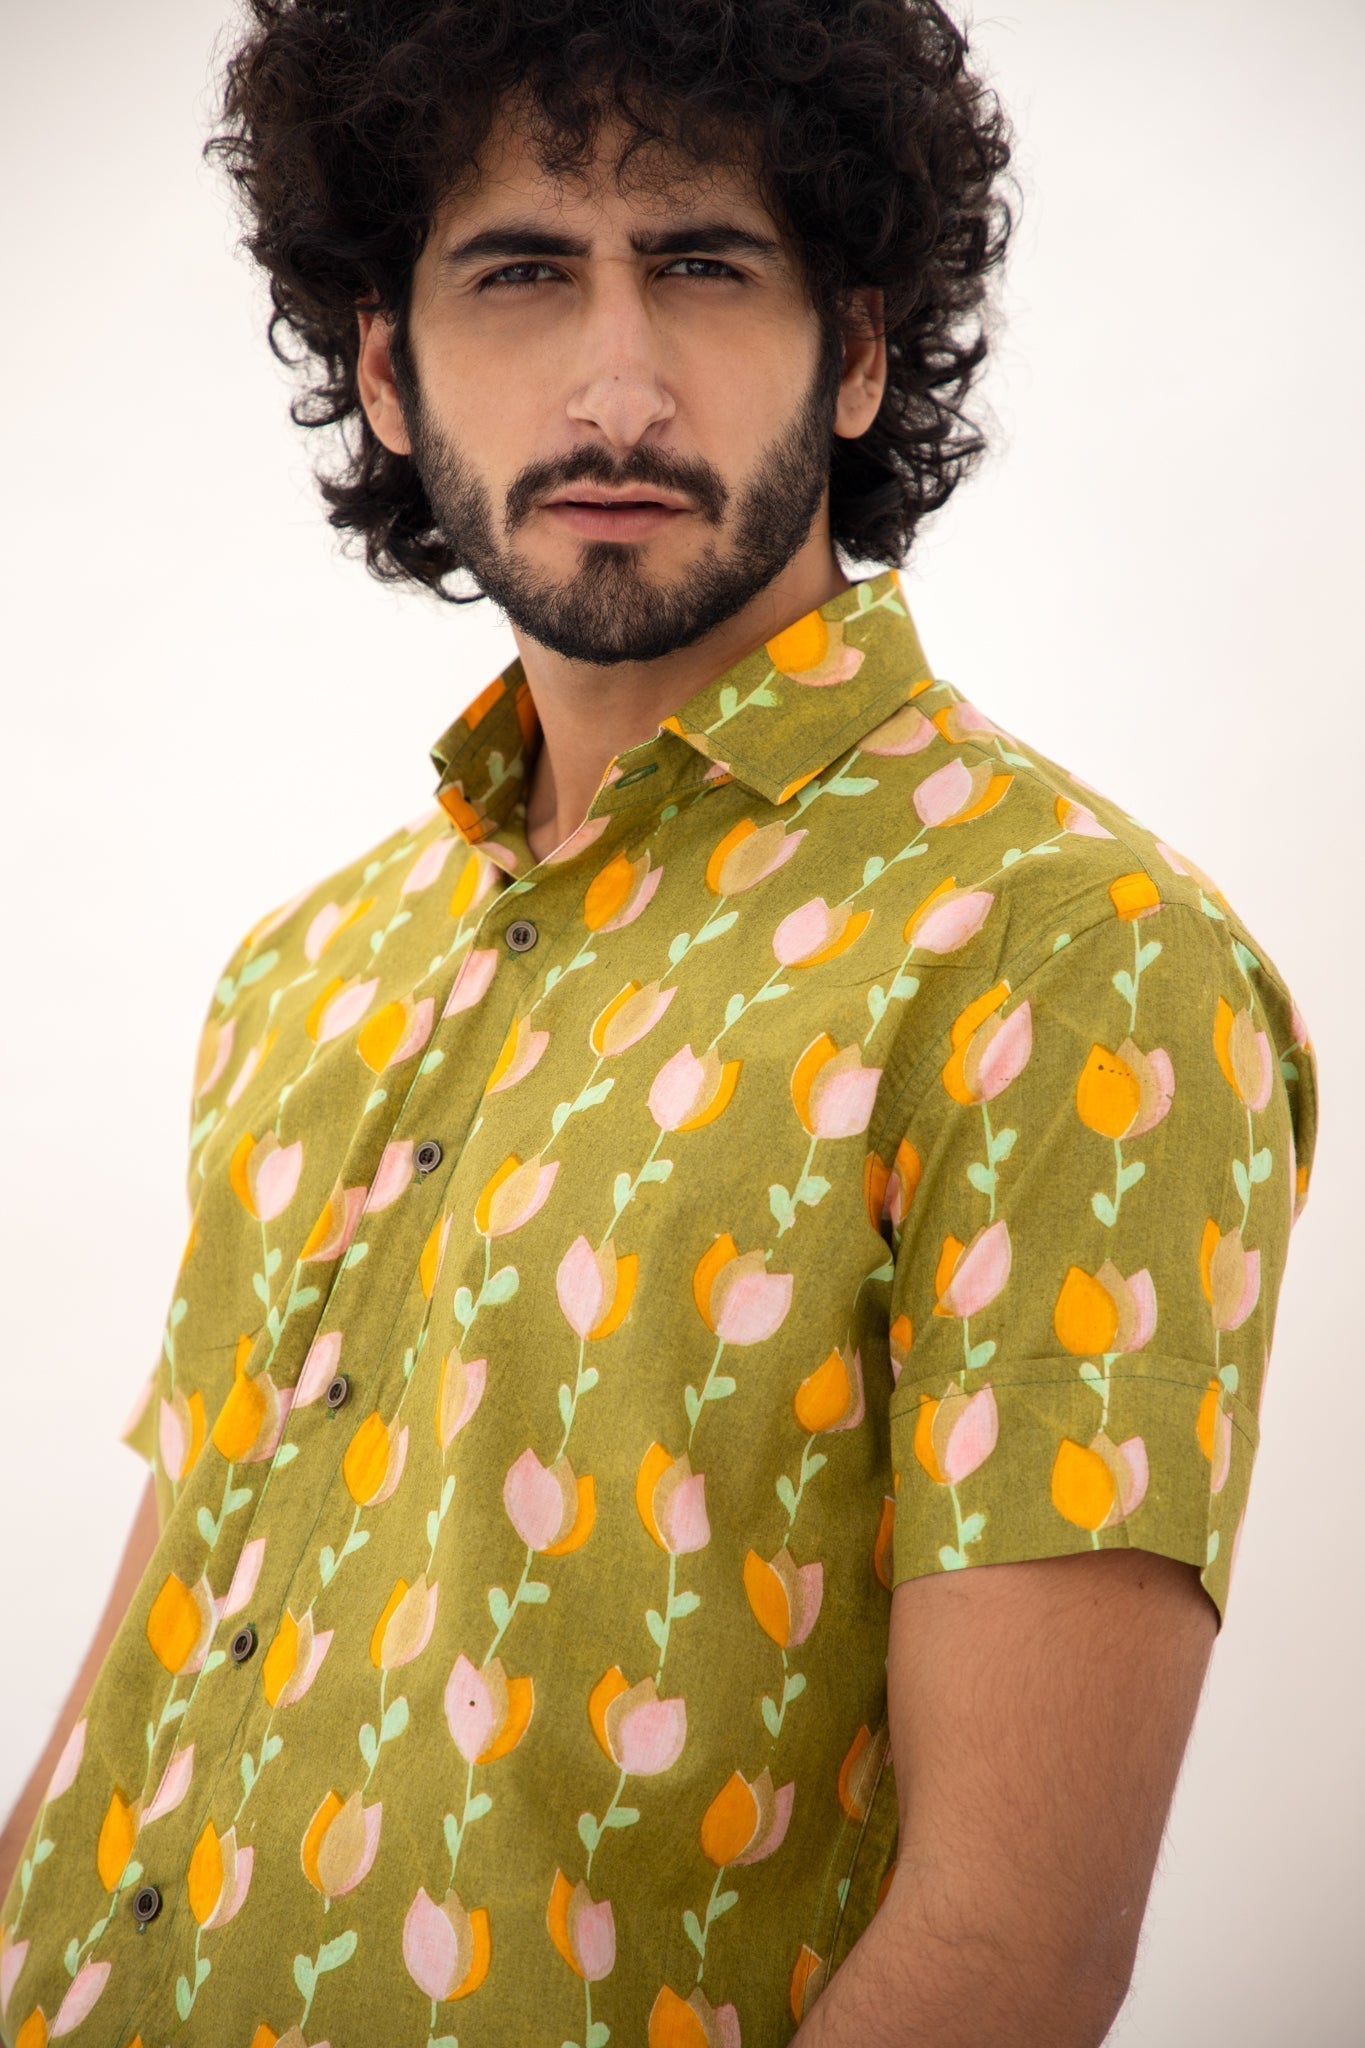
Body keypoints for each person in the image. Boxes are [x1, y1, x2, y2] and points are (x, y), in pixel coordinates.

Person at [0, 2, 1320, 2043]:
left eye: (701, 265)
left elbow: (1011, 1952)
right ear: (383, 364)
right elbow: (151, 1673)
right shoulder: (307, 966)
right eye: (520, 273)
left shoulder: (1064, 959)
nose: (616, 388)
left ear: (856, 349)